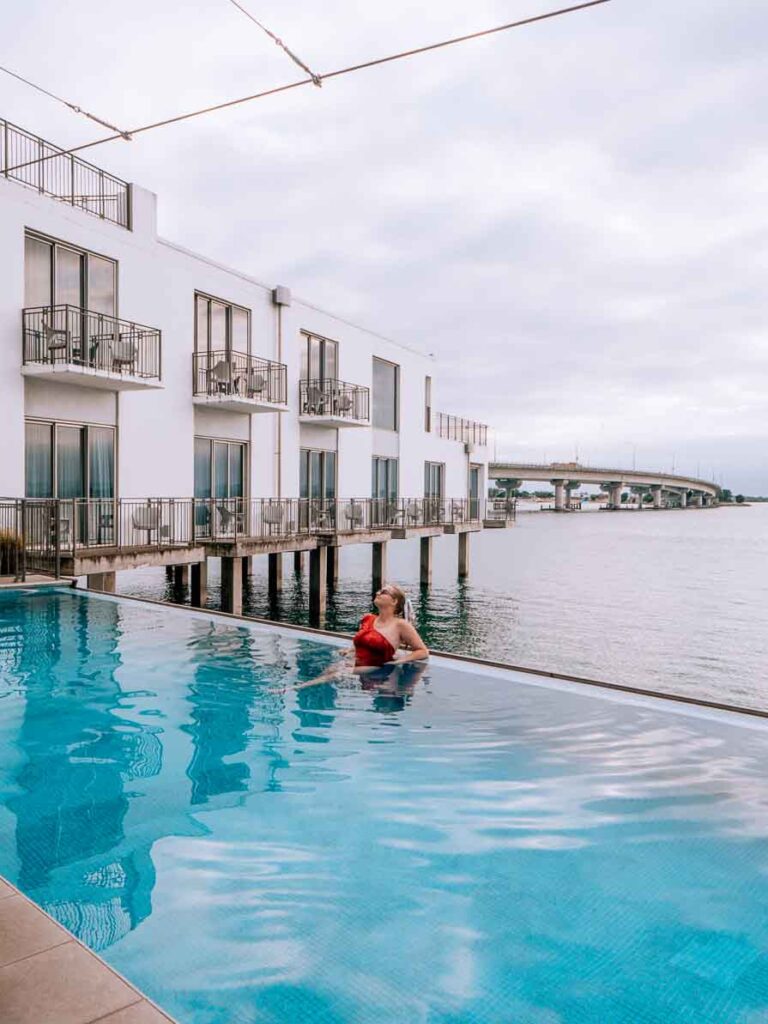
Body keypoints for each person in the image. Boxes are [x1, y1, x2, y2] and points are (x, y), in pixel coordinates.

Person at [292, 583, 428, 691]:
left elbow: (422, 651)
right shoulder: (367, 618)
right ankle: (304, 688)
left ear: (394, 601)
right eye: (379, 591)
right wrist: (350, 650)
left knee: (336, 674)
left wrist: (401, 660)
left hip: (374, 666)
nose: (378, 593)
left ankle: (293, 688)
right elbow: (361, 641)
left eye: (384, 592)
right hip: (353, 661)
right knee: (330, 672)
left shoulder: (401, 625)